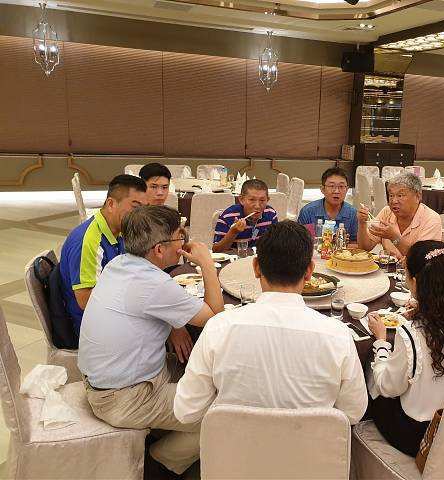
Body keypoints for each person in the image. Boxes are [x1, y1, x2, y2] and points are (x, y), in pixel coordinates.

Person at [78, 205, 224, 479]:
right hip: (124, 398)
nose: (184, 241)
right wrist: (206, 263)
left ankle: (165, 432)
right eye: (180, 236)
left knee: (201, 371)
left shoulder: (118, 264)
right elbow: (215, 315)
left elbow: (142, 306)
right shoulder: (154, 284)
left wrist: (175, 325)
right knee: (221, 414)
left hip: (112, 380)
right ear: (159, 249)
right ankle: (158, 464)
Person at [174, 221, 368, 426]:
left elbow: (186, 411)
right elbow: (353, 413)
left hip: (235, 445)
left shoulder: (218, 328)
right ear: (309, 271)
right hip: (309, 446)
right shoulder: (338, 335)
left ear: (256, 267)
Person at [366, 240, 444, 456]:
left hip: (418, 436)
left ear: (416, 282)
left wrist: (381, 342)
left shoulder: (413, 334)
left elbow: (388, 387)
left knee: (371, 374)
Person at [59, 174, 147, 335]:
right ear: (111, 204)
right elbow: (85, 300)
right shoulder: (89, 240)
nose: (140, 215)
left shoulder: (119, 230)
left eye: (144, 209)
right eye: (135, 208)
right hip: (90, 326)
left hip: (110, 312)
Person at [357, 172, 441, 258]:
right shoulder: (387, 212)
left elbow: (422, 259)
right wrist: (362, 223)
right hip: (388, 265)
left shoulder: (431, 219)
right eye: (391, 195)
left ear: (417, 196)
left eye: (400, 195)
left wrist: (394, 238)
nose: (394, 201)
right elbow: (364, 248)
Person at [212, 179, 278, 252]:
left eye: (262, 200)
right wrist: (233, 232)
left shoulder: (271, 214)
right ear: (241, 200)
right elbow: (216, 250)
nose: (257, 206)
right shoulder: (228, 216)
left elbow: (276, 243)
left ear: (267, 200)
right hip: (234, 258)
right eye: (252, 200)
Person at [297, 167, 358, 241]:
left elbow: (356, 243)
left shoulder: (353, 213)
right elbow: (301, 243)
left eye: (341, 186)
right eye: (332, 186)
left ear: (347, 189)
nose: (336, 191)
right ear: (322, 189)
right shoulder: (308, 212)